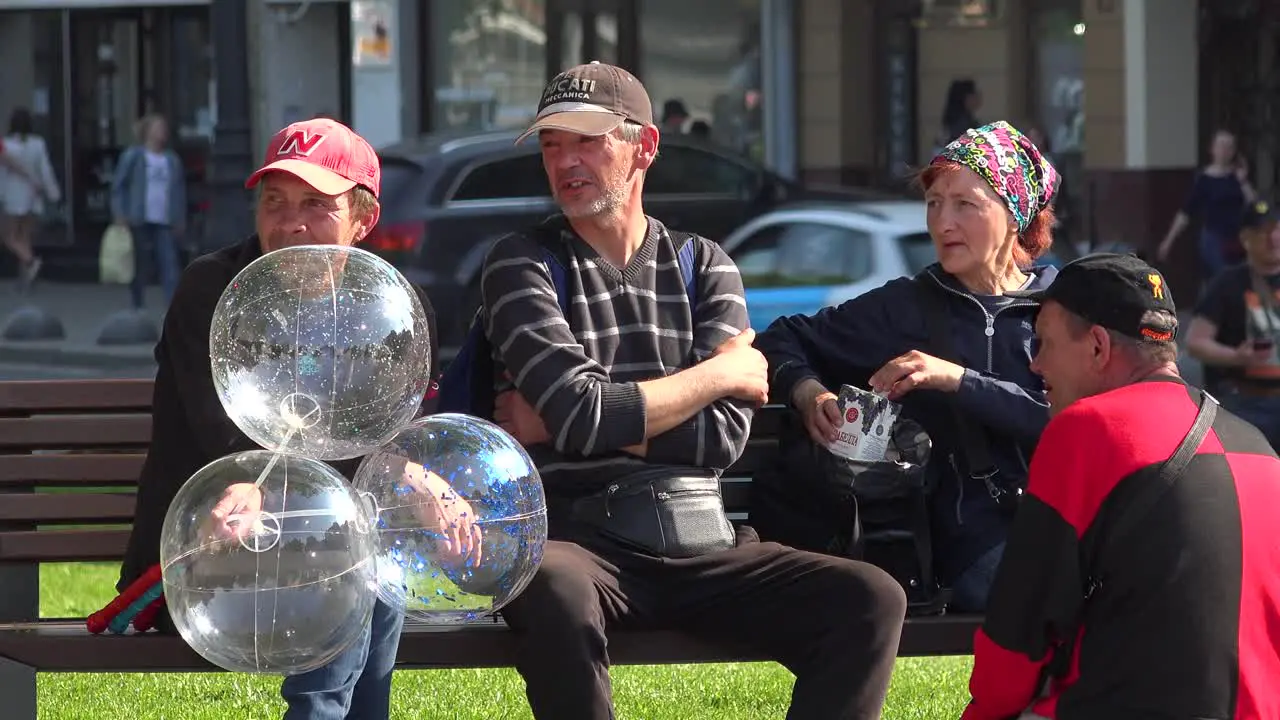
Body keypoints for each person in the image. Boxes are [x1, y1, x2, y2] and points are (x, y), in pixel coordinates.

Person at [483, 61, 907, 720]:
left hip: (702, 538)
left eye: (586, 140)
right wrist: (716, 376)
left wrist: (583, 417)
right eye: (550, 144)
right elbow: (580, 412)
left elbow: (723, 438)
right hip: (581, 543)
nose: (565, 160)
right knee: (547, 582)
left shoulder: (704, 263)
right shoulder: (522, 262)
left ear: (644, 146)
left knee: (870, 597)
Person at [117, 118, 441, 720]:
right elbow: (222, 433)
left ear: (362, 221)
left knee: (370, 564)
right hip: (210, 551)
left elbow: (388, 439)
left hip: (331, 549)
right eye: (275, 201)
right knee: (358, 558)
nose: (290, 223)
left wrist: (416, 476)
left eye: (316, 205)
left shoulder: (393, 310)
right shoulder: (212, 288)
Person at [754, 121, 1059, 612]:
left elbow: (1073, 425)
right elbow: (781, 337)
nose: (942, 223)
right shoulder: (908, 306)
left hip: (1067, 522)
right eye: (934, 203)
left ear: (1014, 212)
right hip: (965, 546)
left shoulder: (1062, 308)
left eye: (965, 204)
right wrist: (806, 390)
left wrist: (957, 381)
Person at [962, 253, 1280, 720]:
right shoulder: (1262, 449)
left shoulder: (1084, 430)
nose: (1035, 365)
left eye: (1044, 343)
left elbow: (1016, 639)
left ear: (1097, 347)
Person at [1185, 199, 1280, 449]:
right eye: (1264, 232)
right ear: (1246, 239)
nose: (1273, 239)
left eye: (1277, 230)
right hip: (1246, 403)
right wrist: (1237, 356)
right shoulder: (1227, 284)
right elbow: (1196, 342)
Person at [110, 113, 187, 311]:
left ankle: (173, 309)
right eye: (158, 127)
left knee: (169, 264)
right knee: (139, 264)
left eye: (164, 128)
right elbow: (119, 186)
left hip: (165, 219)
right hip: (138, 218)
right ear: (147, 131)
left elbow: (178, 191)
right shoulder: (134, 156)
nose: (163, 132)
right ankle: (137, 305)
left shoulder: (172, 160)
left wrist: (179, 218)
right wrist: (120, 213)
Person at [1157, 128, 1257, 279]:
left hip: (1237, 239)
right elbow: (1186, 212)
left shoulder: (1238, 177)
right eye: (1221, 146)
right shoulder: (1204, 179)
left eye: (1230, 147)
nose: (1225, 151)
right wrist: (1169, 241)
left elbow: (1254, 204)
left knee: (1237, 279)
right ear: (1212, 149)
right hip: (1214, 238)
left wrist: (1243, 181)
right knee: (1223, 277)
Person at [0, 108, 60, 290]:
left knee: (10, 237)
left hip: (13, 194)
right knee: (24, 237)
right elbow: (45, 168)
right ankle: (26, 279)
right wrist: (52, 191)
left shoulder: (6, 144)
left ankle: (30, 261)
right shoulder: (38, 143)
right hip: (34, 194)